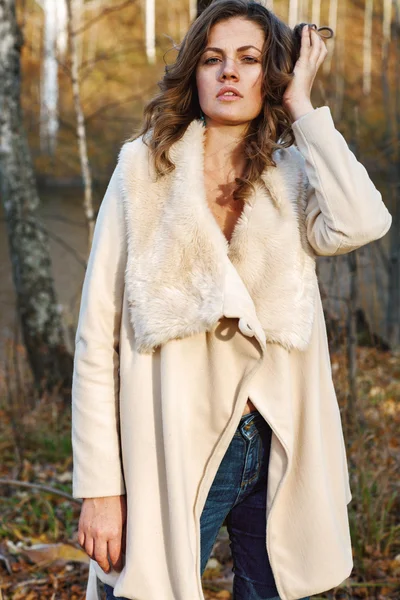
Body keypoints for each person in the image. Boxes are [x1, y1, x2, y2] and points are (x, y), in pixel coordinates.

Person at [71, 1, 392, 599]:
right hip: (168, 444)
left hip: (276, 445)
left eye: (249, 59)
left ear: (271, 74)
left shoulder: (293, 171)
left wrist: (303, 105)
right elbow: (97, 337)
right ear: (193, 72)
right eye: (213, 58)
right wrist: (100, 488)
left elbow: (364, 220)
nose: (228, 73)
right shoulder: (141, 170)